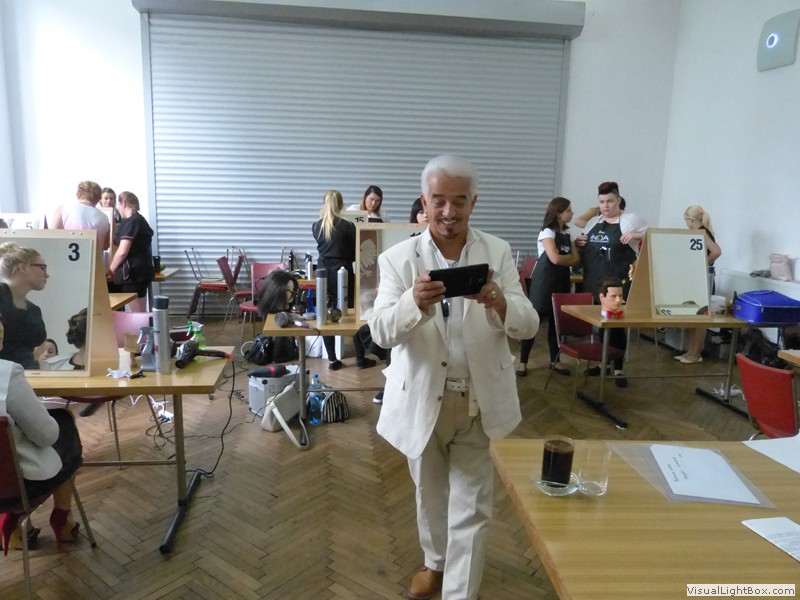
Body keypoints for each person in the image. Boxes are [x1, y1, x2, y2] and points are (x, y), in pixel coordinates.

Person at [368, 155, 538, 600]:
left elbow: (529, 324)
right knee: (429, 494)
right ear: (424, 202)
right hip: (421, 398)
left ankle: (459, 592)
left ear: (473, 203)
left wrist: (500, 301)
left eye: (459, 201)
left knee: (472, 505)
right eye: (438, 200)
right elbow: (380, 332)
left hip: (478, 400)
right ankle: (436, 562)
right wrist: (414, 302)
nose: (448, 212)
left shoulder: (497, 252)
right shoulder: (397, 259)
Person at [0, 318, 84, 552]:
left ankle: (18, 527)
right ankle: (61, 518)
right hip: (13, 485)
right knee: (64, 425)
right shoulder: (7, 373)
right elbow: (46, 436)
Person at [575, 182, 647, 387]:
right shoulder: (593, 222)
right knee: (599, 324)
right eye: (602, 202)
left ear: (618, 200)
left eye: (610, 201)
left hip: (618, 283)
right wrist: (579, 242)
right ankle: (602, 364)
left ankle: (618, 369)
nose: (605, 206)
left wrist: (637, 235)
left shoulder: (630, 220)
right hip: (594, 281)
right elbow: (584, 240)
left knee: (616, 326)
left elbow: (652, 235)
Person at [517, 197, 580, 377]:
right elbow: (555, 259)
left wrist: (565, 258)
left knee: (556, 323)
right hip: (544, 283)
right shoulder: (547, 232)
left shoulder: (569, 234)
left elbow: (576, 259)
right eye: (569, 210)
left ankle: (555, 360)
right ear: (559, 213)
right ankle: (522, 362)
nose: (572, 213)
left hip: (561, 281)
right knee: (534, 321)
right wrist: (567, 258)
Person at [311, 190, 355, 370]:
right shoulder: (348, 226)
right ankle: (360, 357)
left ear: (324, 204)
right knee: (351, 313)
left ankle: (331, 359)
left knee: (324, 315)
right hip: (343, 271)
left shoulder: (316, 226)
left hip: (323, 273)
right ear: (341, 205)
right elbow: (354, 253)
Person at [675, 205, 722, 364]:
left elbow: (716, 251)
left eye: (686, 221)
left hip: (701, 277)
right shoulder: (698, 233)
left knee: (700, 316)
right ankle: (691, 351)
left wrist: (703, 265)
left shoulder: (702, 232)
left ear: (691, 220)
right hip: (694, 277)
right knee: (692, 314)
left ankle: (696, 354)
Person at [0, 242, 48, 369]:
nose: (46, 274)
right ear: (23, 267)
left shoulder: (34, 310)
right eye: (42, 268)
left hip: (24, 375)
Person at [107, 192, 155, 312]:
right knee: (139, 313)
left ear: (123, 203)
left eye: (119, 205)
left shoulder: (133, 221)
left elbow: (122, 251)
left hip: (133, 275)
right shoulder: (137, 220)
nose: (118, 209)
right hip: (139, 272)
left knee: (138, 315)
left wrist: (111, 269)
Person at [51, 180, 110, 251]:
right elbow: (106, 246)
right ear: (99, 198)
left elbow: (52, 236)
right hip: (94, 257)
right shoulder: (104, 218)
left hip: (66, 255)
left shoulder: (63, 209)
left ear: (77, 194)